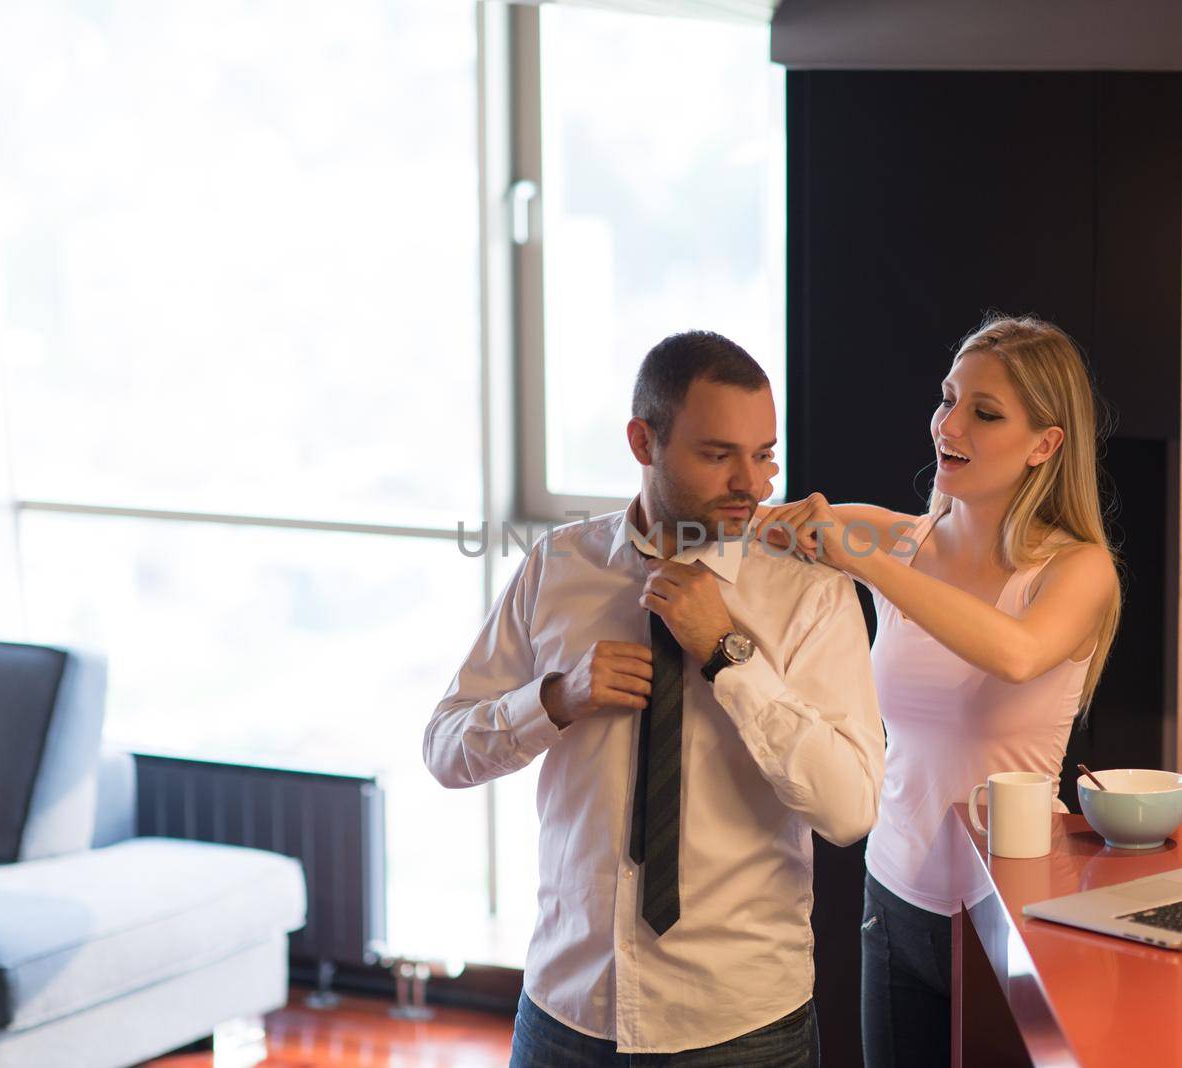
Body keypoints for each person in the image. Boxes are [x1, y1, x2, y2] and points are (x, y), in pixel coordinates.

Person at [425, 330, 885, 1067]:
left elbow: (850, 809)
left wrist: (730, 657)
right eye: (718, 454)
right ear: (644, 441)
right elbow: (445, 748)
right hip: (565, 1013)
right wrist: (553, 699)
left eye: (764, 453)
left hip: (740, 1027)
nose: (755, 484)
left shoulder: (811, 595)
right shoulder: (557, 568)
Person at [756, 314, 1121, 1067]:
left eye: (984, 413)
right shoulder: (897, 540)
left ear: (1044, 445)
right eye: (948, 399)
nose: (948, 425)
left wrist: (866, 562)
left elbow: (1016, 654)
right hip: (891, 902)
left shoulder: (1077, 571)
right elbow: (739, 532)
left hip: (1014, 913)